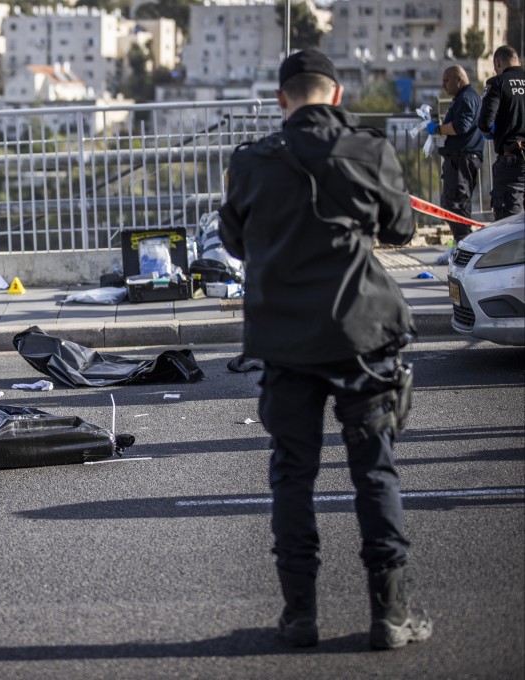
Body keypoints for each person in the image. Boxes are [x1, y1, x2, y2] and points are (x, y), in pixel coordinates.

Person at [218, 50, 432, 651]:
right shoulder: (369, 150)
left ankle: (300, 615)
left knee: (292, 476)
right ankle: (389, 615)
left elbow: (233, 239)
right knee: (375, 473)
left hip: (286, 342)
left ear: (283, 99)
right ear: (336, 95)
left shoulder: (251, 162)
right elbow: (401, 228)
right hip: (363, 336)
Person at [426, 65, 484, 243]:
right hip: (457, 159)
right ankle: (461, 244)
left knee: (458, 205)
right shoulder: (462, 97)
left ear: (459, 79)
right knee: (450, 203)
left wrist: (438, 128)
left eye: (446, 81)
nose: (444, 85)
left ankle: (464, 245)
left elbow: (461, 126)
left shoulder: (466, 97)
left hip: (462, 159)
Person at [478, 45, 525, 220]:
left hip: (512, 162)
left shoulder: (497, 83)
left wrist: (491, 131)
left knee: (509, 227)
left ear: (497, 62)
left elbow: (484, 124)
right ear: (518, 61)